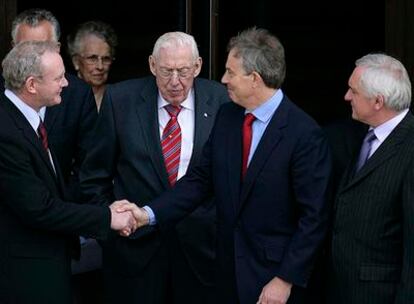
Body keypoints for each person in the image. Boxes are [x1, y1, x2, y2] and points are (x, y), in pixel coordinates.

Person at [121, 27, 332, 304]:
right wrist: (147, 214)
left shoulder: (304, 134)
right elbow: (199, 182)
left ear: (254, 79)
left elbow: (313, 219)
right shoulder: (228, 116)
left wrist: (284, 279)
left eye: (231, 72)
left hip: (273, 281)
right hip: (224, 274)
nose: (223, 80)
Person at [80, 31, 229, 303]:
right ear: (151, 65)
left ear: (197, 66)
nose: (174, 82)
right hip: (133, 253)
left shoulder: (222, 102)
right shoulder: (120, 100)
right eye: (166, 71)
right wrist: (110, 230)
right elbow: (94, 177)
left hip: (202, 252)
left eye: (183, 71)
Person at [0, 40, 136, 304]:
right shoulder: (6, 133)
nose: (66, 83)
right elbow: (39, 208)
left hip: (46, 263)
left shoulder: (27, 119)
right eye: (59, 77)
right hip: (25, 276)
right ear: (31, 85)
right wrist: (106, 217)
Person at [11, 9, 102, 304]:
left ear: (58, 50)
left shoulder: (75, 93)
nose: (33, 58)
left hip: (63, 237)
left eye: (43, 49)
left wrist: (64, 210)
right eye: (25, 49)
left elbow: (89, 166)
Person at [324, 53, 414, 304]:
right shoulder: (361, 134)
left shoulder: (410, 146)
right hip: (342, 288)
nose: (347, 97)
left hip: (379, 294)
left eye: (353, 91)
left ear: (378, 101)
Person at [67, 20, 117, 111]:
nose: (100, 66)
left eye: (106, 59)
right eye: (92, 58)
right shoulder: (61, 98)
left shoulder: (119, 99)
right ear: (76, 61)